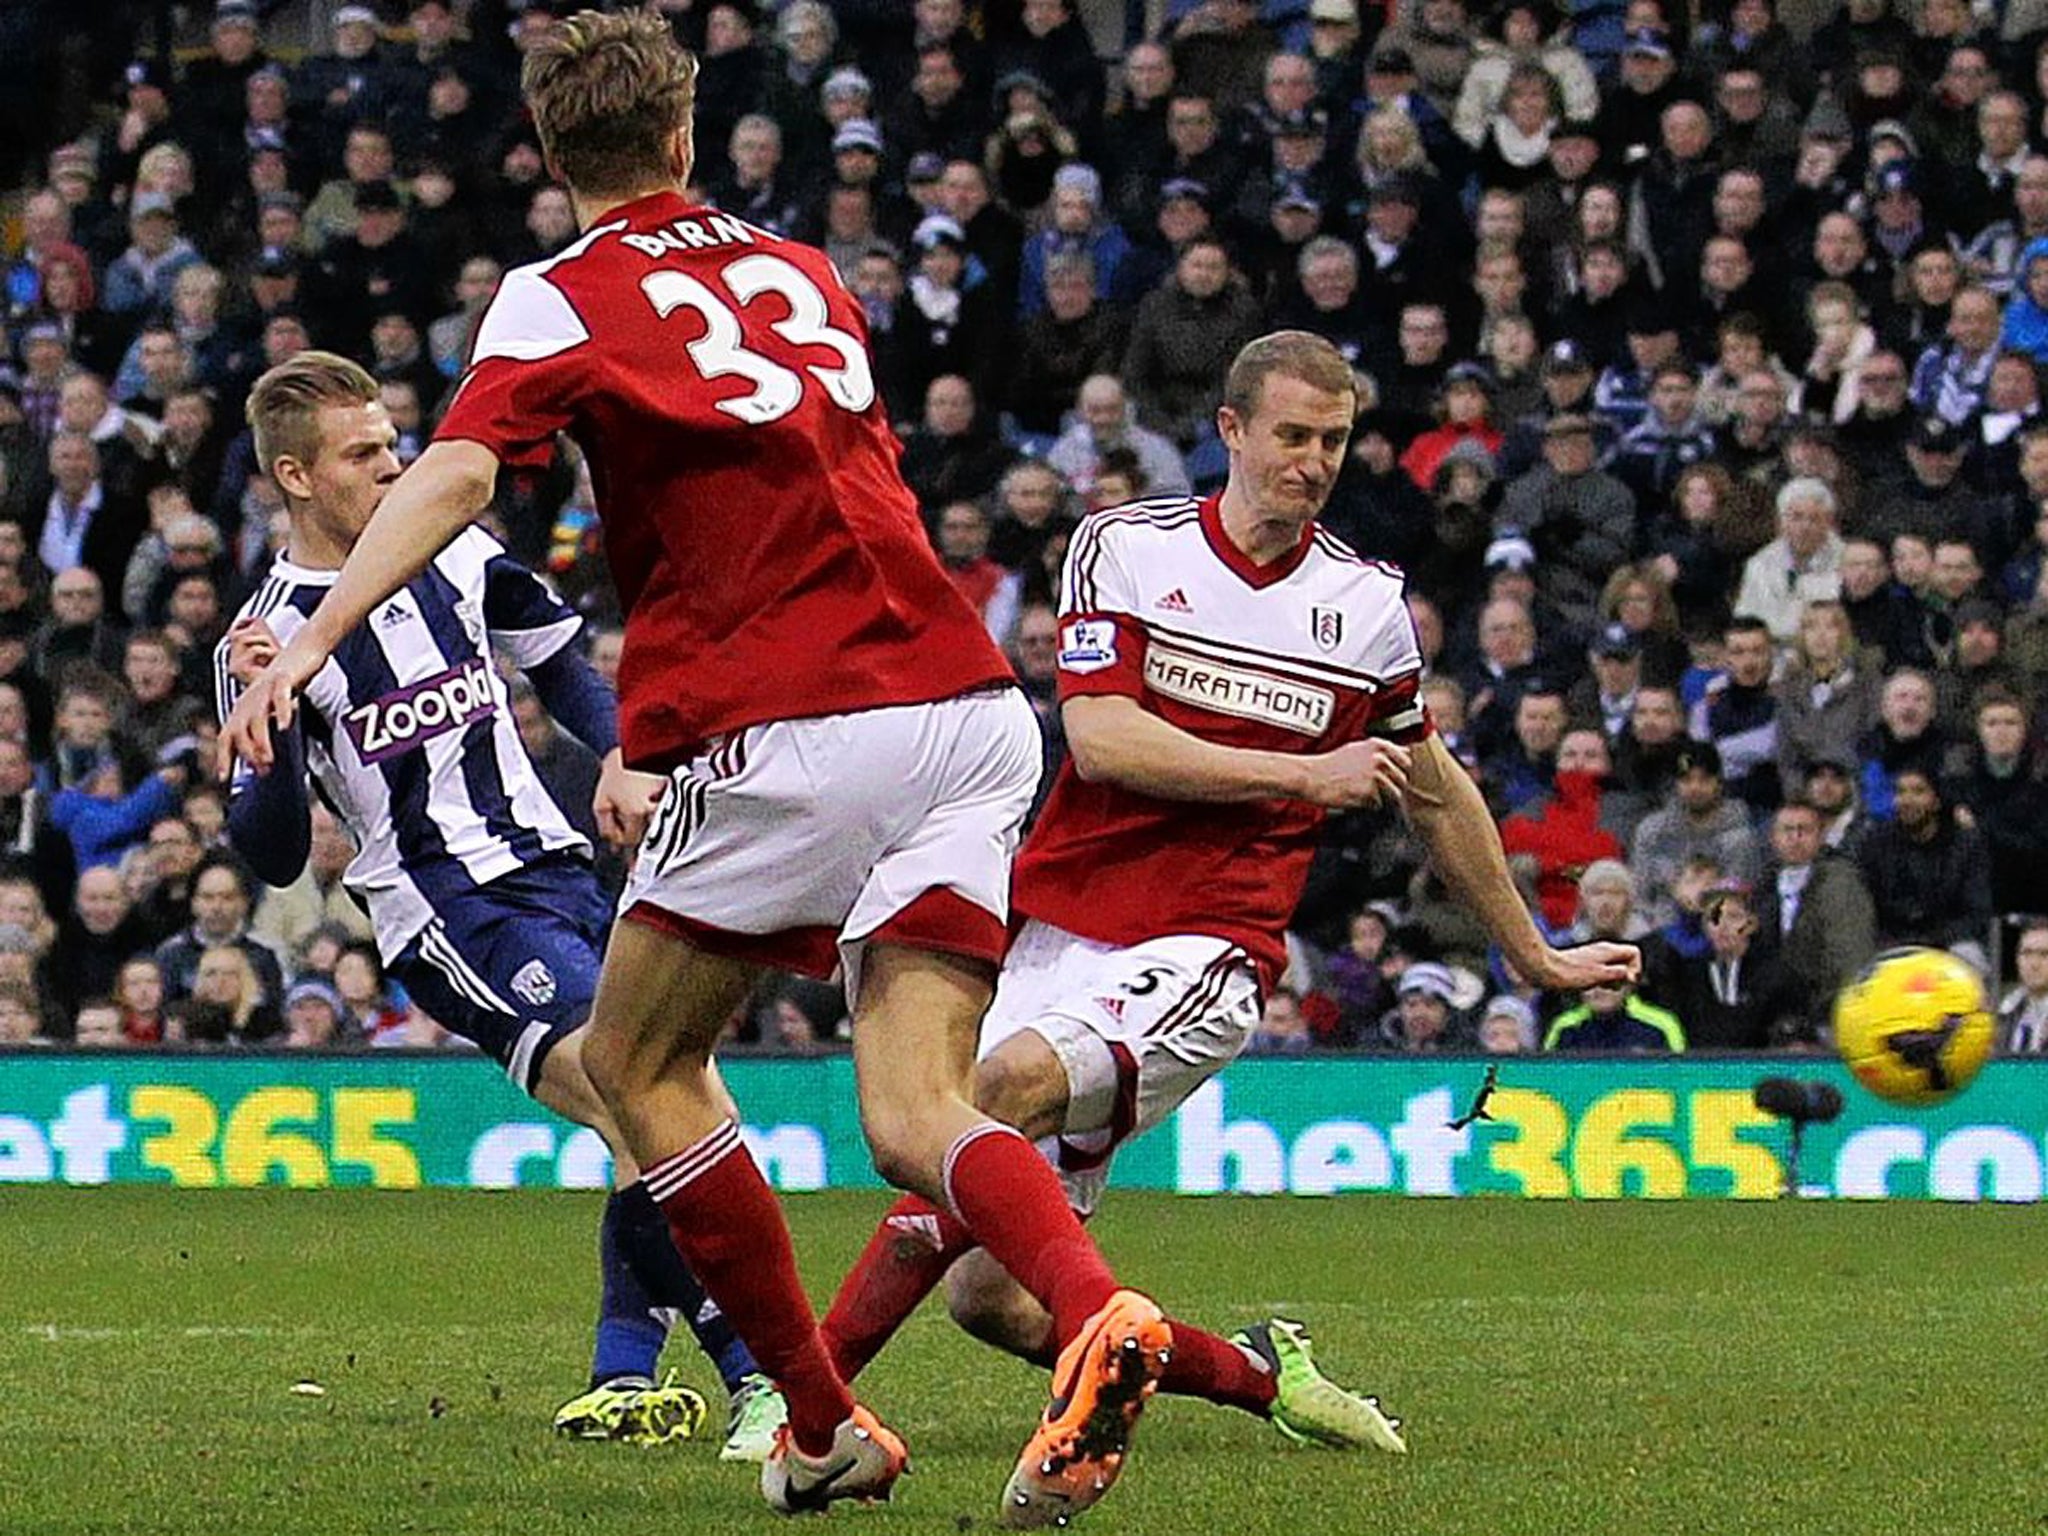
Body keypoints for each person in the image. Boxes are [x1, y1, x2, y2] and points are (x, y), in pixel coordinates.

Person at [218, 16, 1174, 1524]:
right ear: (684, 136)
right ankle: (1095, 1302)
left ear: (551, 156)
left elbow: (466, 475)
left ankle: (816, 1422)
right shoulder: (806, 274)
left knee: (637, 1064)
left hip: (800, 722)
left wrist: (323, 631)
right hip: (976, 704)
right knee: (917, 1112)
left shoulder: (557, 296)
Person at [803, 332, 1636, 1454]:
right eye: (1291, 435)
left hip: (1208, 946)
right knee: (990, 1301)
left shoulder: (1363, 605)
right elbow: (1100, 742)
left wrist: (1530, 954)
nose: (1312, 461)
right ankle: (1260, 1376)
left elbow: (1433, 792)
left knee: (989, 1095)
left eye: (1333, 441)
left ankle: (801, 1392)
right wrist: (1302, 770)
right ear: (1231, 432)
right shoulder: (1125, 549)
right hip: (1054, 924)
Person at [213, 352, 774, 1459]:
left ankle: (621, 1376)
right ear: (293, 476)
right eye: (363, 454)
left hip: (561, 872)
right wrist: (269, 734)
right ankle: (764, 1378)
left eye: (391, 441)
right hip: (449, 910)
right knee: (644, 1098)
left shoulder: (456, 553)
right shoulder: (266, 634)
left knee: (676, 1104)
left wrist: (618, 751)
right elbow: (270, 853)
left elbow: (561, 663)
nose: (393, 465)